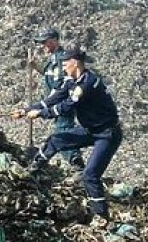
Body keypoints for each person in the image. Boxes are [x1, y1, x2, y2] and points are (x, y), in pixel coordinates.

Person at [13, 43, 121, 226]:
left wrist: (40, 114)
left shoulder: (87, 83)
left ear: (76, 63)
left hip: (107, 134)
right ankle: (31, 172)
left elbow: (67, 106)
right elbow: (54, 99)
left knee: (90, 175)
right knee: (56, 140)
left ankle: (102, 217)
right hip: (90, 129)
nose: (63, 67)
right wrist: (26, 110)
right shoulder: (71, 81)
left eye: (65, 64)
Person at [28, 28, 86, 171]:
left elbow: (61, 85)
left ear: (54, 41)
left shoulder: (61, 59)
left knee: (63, 131)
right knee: (62, 131)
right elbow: (50, 77)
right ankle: (75, 162)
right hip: (56, 103)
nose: (43, 46)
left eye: (45, 42)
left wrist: (44, 106)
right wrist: (36, 67)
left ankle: (76, 162)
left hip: (62, 104)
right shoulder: (53, 60)